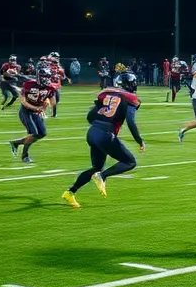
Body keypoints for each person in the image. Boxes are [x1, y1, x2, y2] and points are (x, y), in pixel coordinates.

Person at [62, 71, 146, 208]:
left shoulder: (106, 93)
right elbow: (131, 122)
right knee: (130, 162)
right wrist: (139, 140)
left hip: (92, 132)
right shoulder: (130, 98)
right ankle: (103, 176)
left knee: (96, 167)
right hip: (106, 134)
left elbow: (90, 116)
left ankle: (70, 192)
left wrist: (99, 126)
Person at [9, 69, 56, 163]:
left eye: (48, 77)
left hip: (36, 112)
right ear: (39, 77)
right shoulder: (29, 85)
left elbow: (52, 102)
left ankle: (16, 143)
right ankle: (25, 156)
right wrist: (36, 108)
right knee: (33, 134)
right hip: (25, 111)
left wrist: (46, 106)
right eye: (45, 77)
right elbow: (23, 101)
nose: (47, 79)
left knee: (42, 133)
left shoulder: (50, 88)